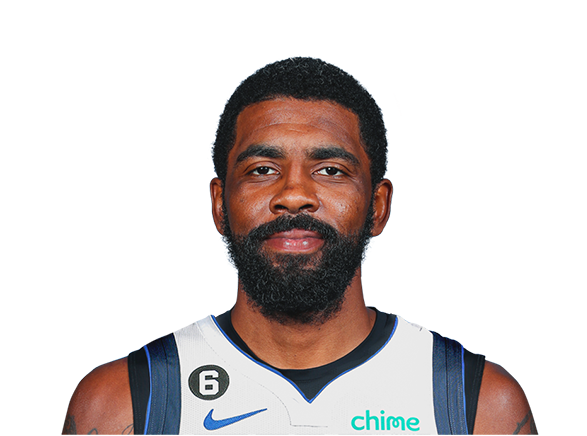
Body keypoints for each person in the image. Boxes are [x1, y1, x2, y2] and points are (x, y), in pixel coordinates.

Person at [62, 56, 537, 435]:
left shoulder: (478, 405)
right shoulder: (123, 402)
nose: (293, 195)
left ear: (378, 206)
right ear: (219, 204)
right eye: (262, 170)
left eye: (330, 170)